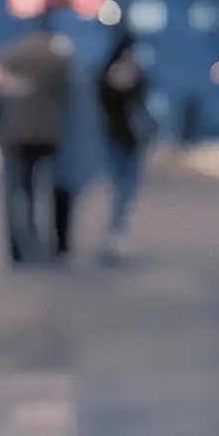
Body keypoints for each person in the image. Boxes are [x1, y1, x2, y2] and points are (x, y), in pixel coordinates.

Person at [0, 16, 74, 263]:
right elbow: (71, 97)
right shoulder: (57, 59)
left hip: (15, 134)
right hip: (49, 134)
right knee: (49, 189)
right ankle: (50, 244)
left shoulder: (10, 53)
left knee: (16, 192)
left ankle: (17, 247)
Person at [95, 27, 151, 261]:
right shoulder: (126, 73)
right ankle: (114, 236)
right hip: (123, 137)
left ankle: (115, 235)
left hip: (120, 137)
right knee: (123, 189)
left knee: (123, 189)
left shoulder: (106, 71)